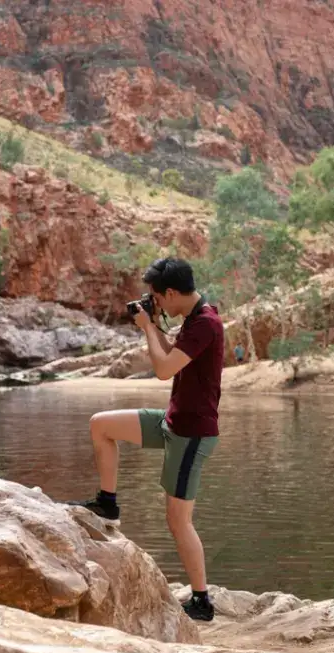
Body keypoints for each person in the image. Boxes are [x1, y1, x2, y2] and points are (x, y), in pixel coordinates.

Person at [71, 257, 224, 622]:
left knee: (177, 520)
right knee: (101, 425)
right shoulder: (193, 318)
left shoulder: (206, 323)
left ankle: (201, 601)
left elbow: (163, 369)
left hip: (192, 434)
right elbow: (173, 354)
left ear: (171, 292)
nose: (154, 301)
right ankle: (108, 503)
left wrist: (146, 329)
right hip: (173, 423)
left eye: (157, 296)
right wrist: (154, 324)